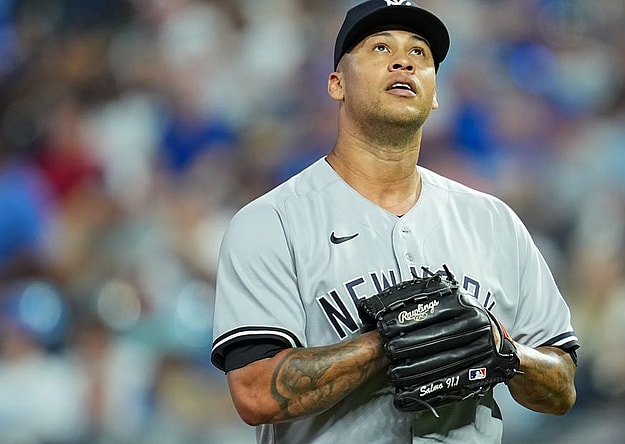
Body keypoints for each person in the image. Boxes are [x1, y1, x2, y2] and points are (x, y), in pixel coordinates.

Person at [210, 1, 579, 443]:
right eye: (380, 47)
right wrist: (386, 342)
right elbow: (254, 393)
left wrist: (506, 353)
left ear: (435, 92)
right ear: (336, 84)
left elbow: (561, 386)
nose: (404, 60)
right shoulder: (272, 222)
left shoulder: (492, 221)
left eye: (420, 53)